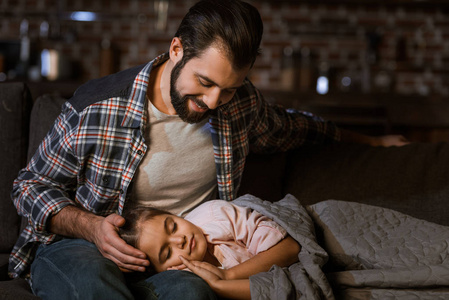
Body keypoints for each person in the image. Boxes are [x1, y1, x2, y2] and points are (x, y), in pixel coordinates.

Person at [9, 0, 408, 299]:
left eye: (229, 88)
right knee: (89, 283)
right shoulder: (98, 106)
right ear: (177, 49)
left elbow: (298, 127)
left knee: (194, 294)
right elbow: (28, 186)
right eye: (204, 83)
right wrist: (91, 227)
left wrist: (372, 142)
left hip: (178, 260)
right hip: (84, 246)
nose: (215, 101)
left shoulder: (238, 107)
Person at [119, 200, 300, 299]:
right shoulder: (186, 282)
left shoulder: (214, 215)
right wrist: (217, 286)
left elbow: (290, 248)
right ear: (162, 274)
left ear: (175, 216)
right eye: (167, 253)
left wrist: (227, 279)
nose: (179, 240)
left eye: (173, 226)